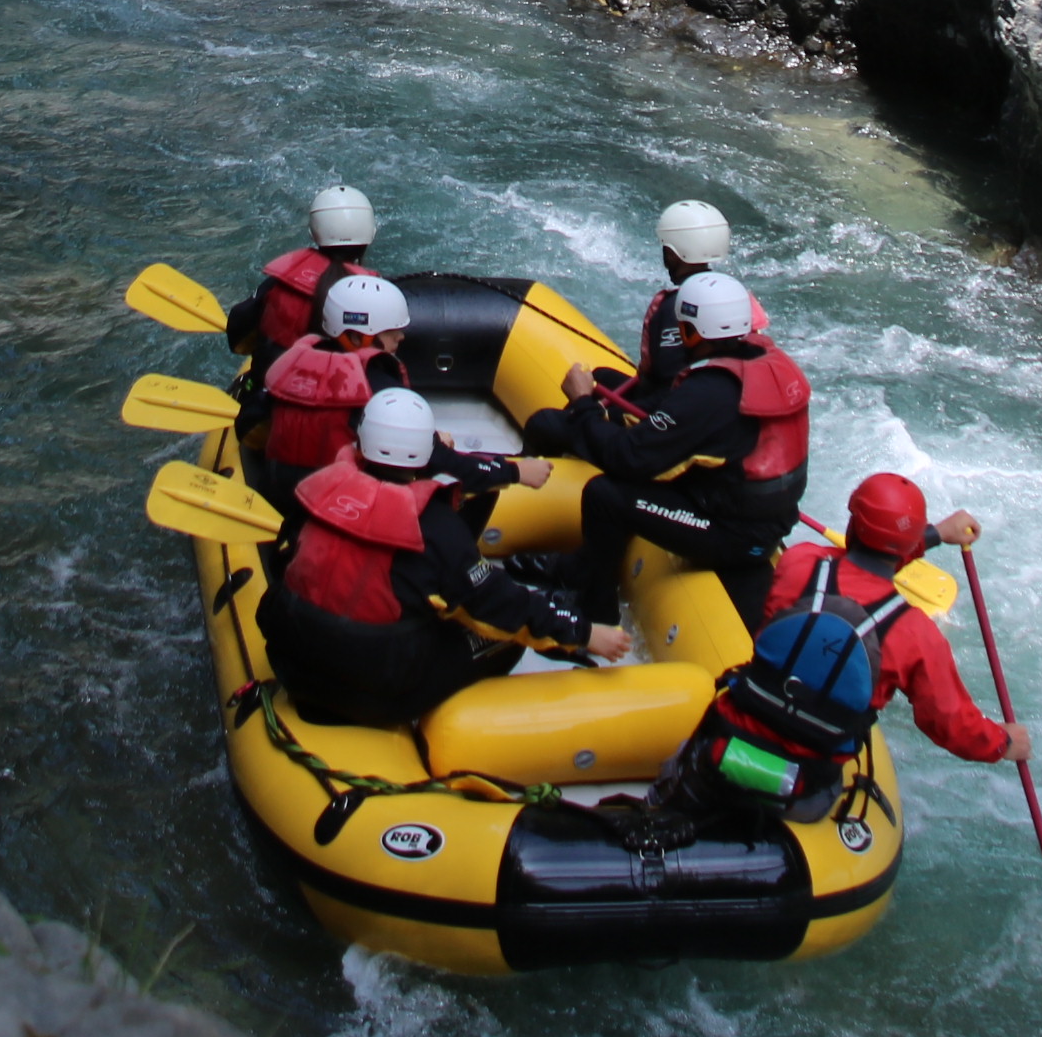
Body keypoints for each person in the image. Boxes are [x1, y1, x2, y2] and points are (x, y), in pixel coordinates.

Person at [262, 389, 634, 728]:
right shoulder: (434, 528)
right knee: (507, 636)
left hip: (293, 665)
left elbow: (285, 562)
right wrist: (583, 633)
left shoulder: (319, 492)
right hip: (375, 694)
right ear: (426, 453)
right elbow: (501, 604)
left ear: (361, 443)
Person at [518, 269, 808, 629]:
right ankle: (578, 568)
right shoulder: (770, 364)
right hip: (751, 512)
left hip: (734, 536)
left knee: (604, 495)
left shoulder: (709, 394)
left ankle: (595, 610)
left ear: (694, 333)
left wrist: (582, 404)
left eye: (684, 330)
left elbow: (625, 458)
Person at [755, 471, 1025, 768]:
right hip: (812, 772)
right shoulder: (915, 633)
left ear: (852, 525)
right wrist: (1004, 742)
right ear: (909, 546)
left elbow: (851, 564)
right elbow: (951, 723)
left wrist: (935, 534)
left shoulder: (800, 561)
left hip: (740, 726)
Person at [246, 272, 409, 511]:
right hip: (339, 506)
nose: (401, 336)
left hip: (275, 496)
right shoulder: (381, 388)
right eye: (390, 330)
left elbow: (248, 429)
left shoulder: (288, 366)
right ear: (356, 336)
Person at [225, 184, 376, 362]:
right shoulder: (376, 294)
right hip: (343, 382)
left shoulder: (280, 282)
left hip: (274, 379)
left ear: (314, 233)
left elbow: (237, 335)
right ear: (370, 234)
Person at [626, 198, 759, 391]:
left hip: (669, 405)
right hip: (723, 395)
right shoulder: (737, 298)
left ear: (671, 254)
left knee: (600, 376)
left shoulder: (670, 304)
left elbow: (656, 371)